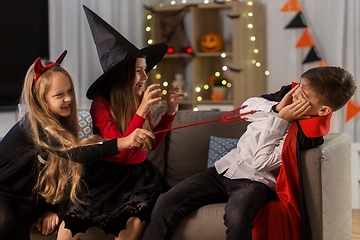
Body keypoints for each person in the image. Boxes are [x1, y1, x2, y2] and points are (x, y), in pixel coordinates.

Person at [142, 66, 357, 240]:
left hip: (255, 182)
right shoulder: (285, 96)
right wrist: (275, 110)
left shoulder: (305, 137)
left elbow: (260, 163)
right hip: (223, 169)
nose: (296, 93)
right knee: (167, 201)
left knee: (237, 216)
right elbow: (246, 109)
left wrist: (280, 121)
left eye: (305, 94)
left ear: (323, 111)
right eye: (299, 86)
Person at [57, 6, 183, 240]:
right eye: (139, 72)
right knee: (72, 221)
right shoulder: (101, 105)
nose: (145, 78)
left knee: (133, 225)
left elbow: (150, 144)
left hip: (138, 176)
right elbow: (121, 151)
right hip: (105, 173)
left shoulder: (139, 101)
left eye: (145, 71)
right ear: (122, 75)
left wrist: (170, 113)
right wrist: (144, 108)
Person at [0, 50, 154, 240]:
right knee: (4, 219)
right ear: (42, 100)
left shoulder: (60, 127)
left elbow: (59, 174)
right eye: (59, 95)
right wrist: (124, 141)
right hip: (3, 191)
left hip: (26, 199)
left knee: (20, 227)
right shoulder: (35, 126)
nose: (68, 99)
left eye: (70, 91)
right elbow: (76, 153)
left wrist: (49, 209)